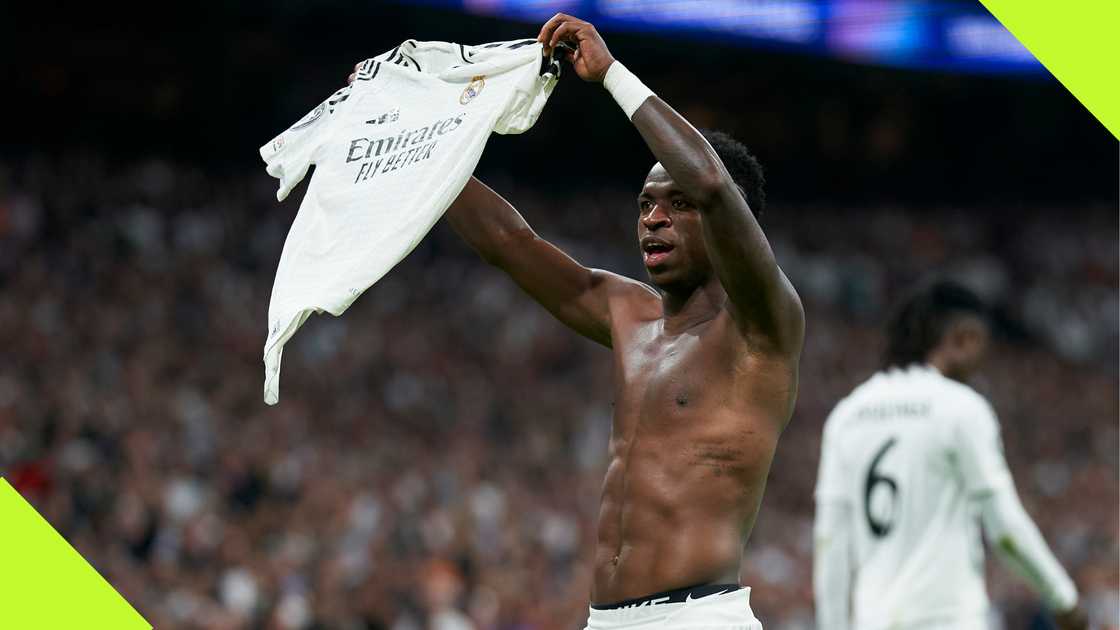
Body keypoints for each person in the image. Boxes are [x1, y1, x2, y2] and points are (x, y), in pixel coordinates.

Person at [348, 12, 803, 629]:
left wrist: (612, 75)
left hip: (699, 619)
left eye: (676, 204)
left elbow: (716, 186)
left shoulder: (763, 326)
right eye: (645, 204)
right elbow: (510, 244)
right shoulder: (628, 313)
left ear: (729, 227)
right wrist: (411, 142)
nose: (653, 219)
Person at [813, 280, 1087, 630]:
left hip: (872, 620)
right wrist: (1063, 599)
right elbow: (1003, 526)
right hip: (946, 618)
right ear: (963, 338)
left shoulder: (847, 415)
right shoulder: (961, 408)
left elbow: (831, 542)